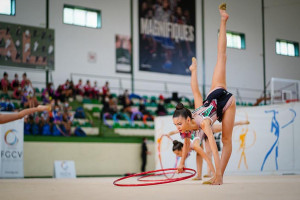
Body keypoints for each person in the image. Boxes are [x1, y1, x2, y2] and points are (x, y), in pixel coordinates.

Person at [172, 3, 234, 185]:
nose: (178, 127)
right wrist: (182, 162)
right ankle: (216, 175)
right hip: (212, 98)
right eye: (176, 124)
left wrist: (217, 172)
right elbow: (185, 148)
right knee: (199, 93)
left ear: (188, 120)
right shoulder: (187, 128)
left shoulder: (201, 122)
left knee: (225, 139)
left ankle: (223, 20)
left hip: (225, 99)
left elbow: (214, 148)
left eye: (179, 124)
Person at [168, 120, 250, 181]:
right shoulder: (188, 146)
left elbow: (207, 159)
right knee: (198, 155)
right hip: (200, 133)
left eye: (178, 153)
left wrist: (215, 175)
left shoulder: (194, 145)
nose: (178, 156)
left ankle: (239, 122)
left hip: (203, 127)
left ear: (182, 148)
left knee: (224, 127)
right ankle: (199, 175)